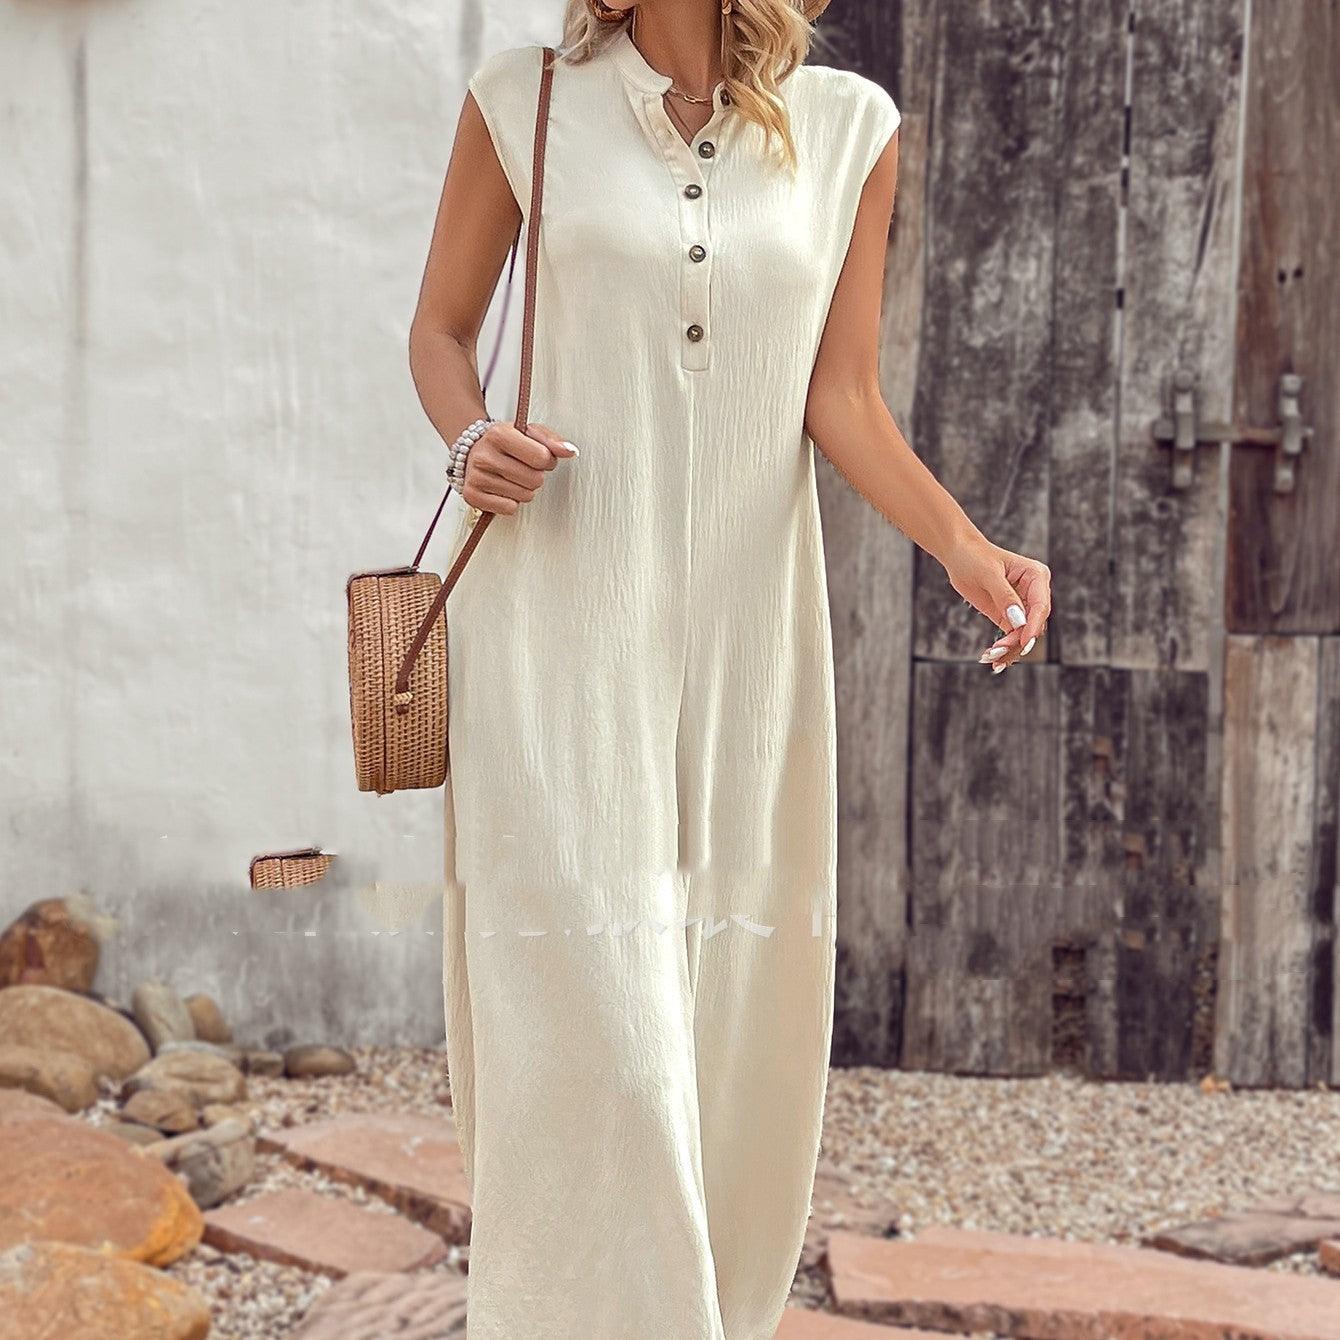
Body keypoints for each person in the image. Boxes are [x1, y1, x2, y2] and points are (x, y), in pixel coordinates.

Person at [408, 1, 1051, 1335]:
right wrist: (470, 440)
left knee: (734, 1029)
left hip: (751, 637)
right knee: (599, 1030)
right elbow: (440, 333)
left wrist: (965, 545)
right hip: (556, 620)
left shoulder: (849, 128)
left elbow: (842, 396)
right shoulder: (524, 99)